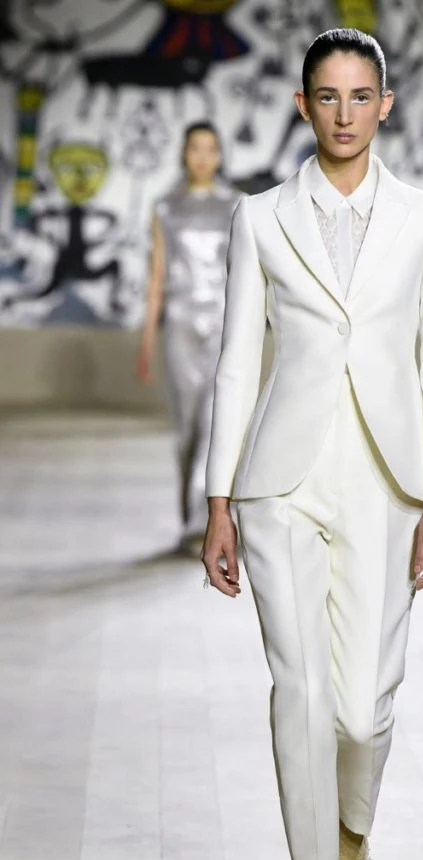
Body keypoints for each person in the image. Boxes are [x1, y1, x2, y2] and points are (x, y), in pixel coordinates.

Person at [201, 28, 423, 860]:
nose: (344, 113)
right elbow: (237, 361)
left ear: (384, 104)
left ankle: (350, 842)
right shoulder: (259, 217)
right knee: (301, 693)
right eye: (327, 96)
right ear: (302, 104)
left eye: (361, 96)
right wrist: (218, 498)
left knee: (362, 709)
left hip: (388, 480)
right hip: (279, 481)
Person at [136, 121, 242, 549]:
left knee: (215, 420)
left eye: (210, 148)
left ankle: (203, 521)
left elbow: (244, 273)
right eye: (195, 147)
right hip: (179, 324)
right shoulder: (165, 207)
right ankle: (189, 513)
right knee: (186, 426)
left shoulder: (236, 205)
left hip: (221, 323)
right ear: (184, 152)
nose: (202, 156)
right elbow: (156, 276)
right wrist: (147, 339)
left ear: (219, 155)